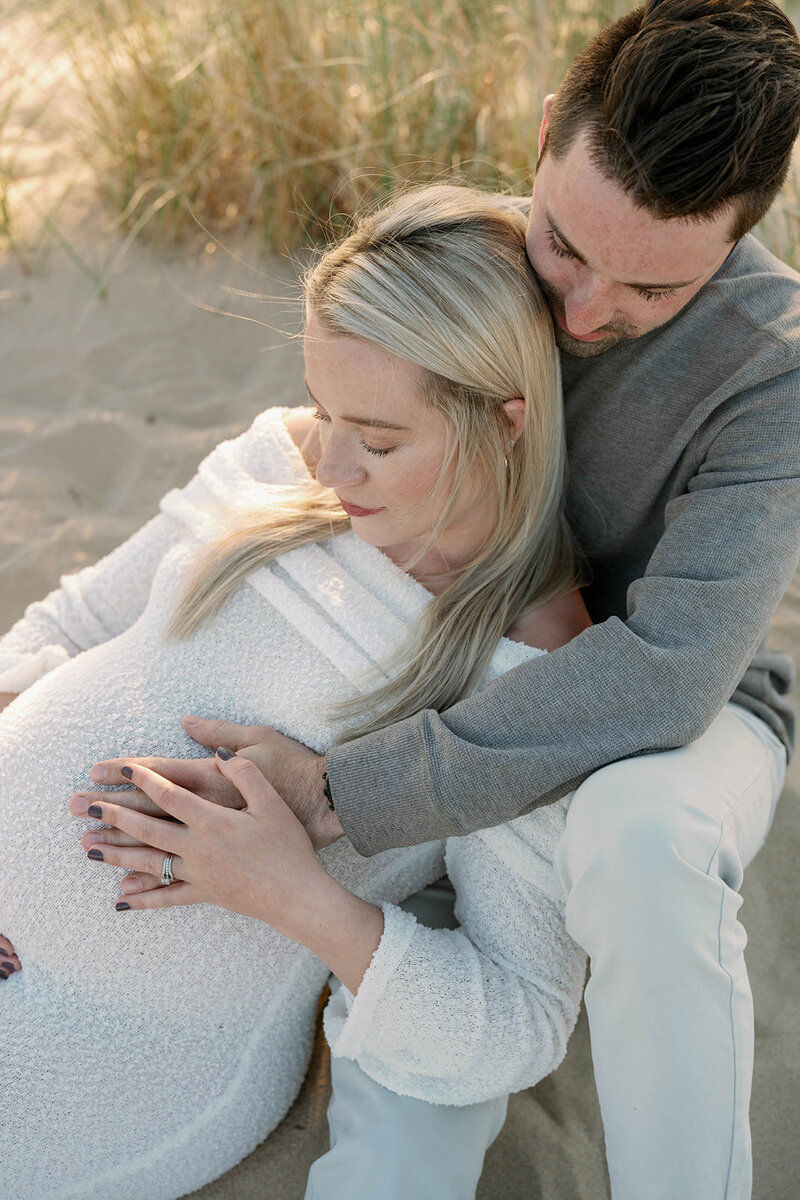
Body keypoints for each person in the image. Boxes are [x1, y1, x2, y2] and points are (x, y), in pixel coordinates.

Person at [76, 2, 800, 1198]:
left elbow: (670, 671)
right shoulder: (469, 257)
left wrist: (347, 787)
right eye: (563, 246)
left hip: (662, 700)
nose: (577, 313)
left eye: (647, 291)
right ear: (540, 139)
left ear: (734, 242)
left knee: (639, 839)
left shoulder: (772, 372)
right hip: (445, 673)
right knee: (409, 1097)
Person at [0, 186, 592, 1199]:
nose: (329, 459)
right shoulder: (279, 459)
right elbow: (68, 626)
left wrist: (290, 892)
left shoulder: (531, 670)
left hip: (111, 1053)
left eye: (378, 436)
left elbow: (515, 1018)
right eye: (323, 409)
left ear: (505, 423)